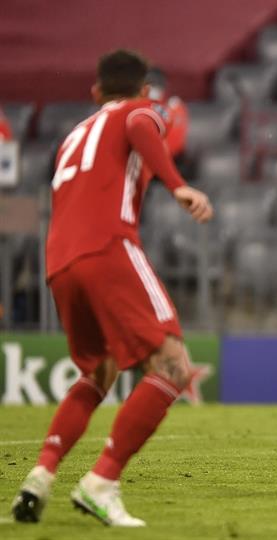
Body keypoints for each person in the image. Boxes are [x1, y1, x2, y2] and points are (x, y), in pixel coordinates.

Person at [11, 49, 213, 526]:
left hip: (60, 263)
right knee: (172, 367)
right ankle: (101, 481)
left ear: (94, 92)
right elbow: (144, 126)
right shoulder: (139, 110)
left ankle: (41, 474)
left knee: (96, 373)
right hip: (108, 248)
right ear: (145, 90)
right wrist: (178, 184)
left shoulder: (72, 134)